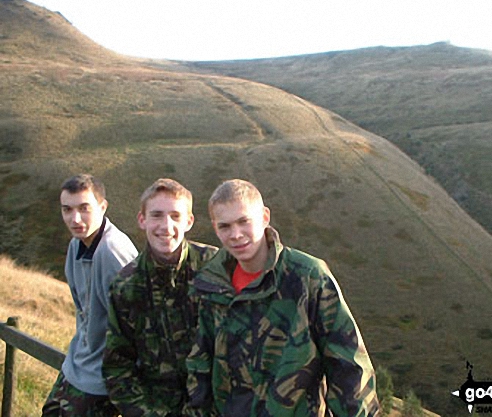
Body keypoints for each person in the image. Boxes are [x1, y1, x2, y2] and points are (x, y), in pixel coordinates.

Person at [185, 179, 380, 416]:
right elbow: (201, 364)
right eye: (225, 226)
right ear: (215, 228)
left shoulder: (307, 277)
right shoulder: (211, 284)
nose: (236, 234)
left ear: (265, 217)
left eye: (244, 221)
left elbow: (348, 363)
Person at [103, 178, 218, 415]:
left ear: (189, 221)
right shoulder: (126, 285)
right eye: (156, 215)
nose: (166, 226)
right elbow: (117, 366)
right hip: (155, 408)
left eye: (175, 216)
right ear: (142, 220)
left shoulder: (216, 268)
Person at [42, 174, 138, 416]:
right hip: (79, 361)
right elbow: (83, 310)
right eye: (67, 210)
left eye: (84, 208)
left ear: (102, 207)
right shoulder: (76, 244)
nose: (75, 219)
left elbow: (139, 321)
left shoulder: (113, 252)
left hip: (102, 375)